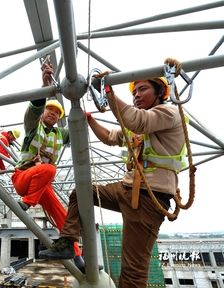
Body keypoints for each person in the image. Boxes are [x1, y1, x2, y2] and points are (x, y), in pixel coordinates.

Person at [39, 59, 187, 287]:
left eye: (143, 89)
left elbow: (138, 121)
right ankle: (68, 241)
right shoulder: (138, 124)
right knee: (82, 193)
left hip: (149, 199)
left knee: (132, 272)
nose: (136, 95)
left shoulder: (169, 114)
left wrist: (107, 90)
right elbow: (110, 137)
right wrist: (90, 121)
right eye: (134, 91)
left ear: (160, 92)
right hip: (127, 189)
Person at [11, 62, 85, 272]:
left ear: (59, 118)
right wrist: (44, 86)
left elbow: (78, 125)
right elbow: (34, 109)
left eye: (56, 112)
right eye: (49, 110)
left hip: (42, 184)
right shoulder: (33, 126)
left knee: (61, 214)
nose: (52, 113)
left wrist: (78, 100)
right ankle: (26, 203)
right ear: (44, 113)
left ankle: (77, 258)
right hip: (24, 178)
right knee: (50, 170)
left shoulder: (61, 134)